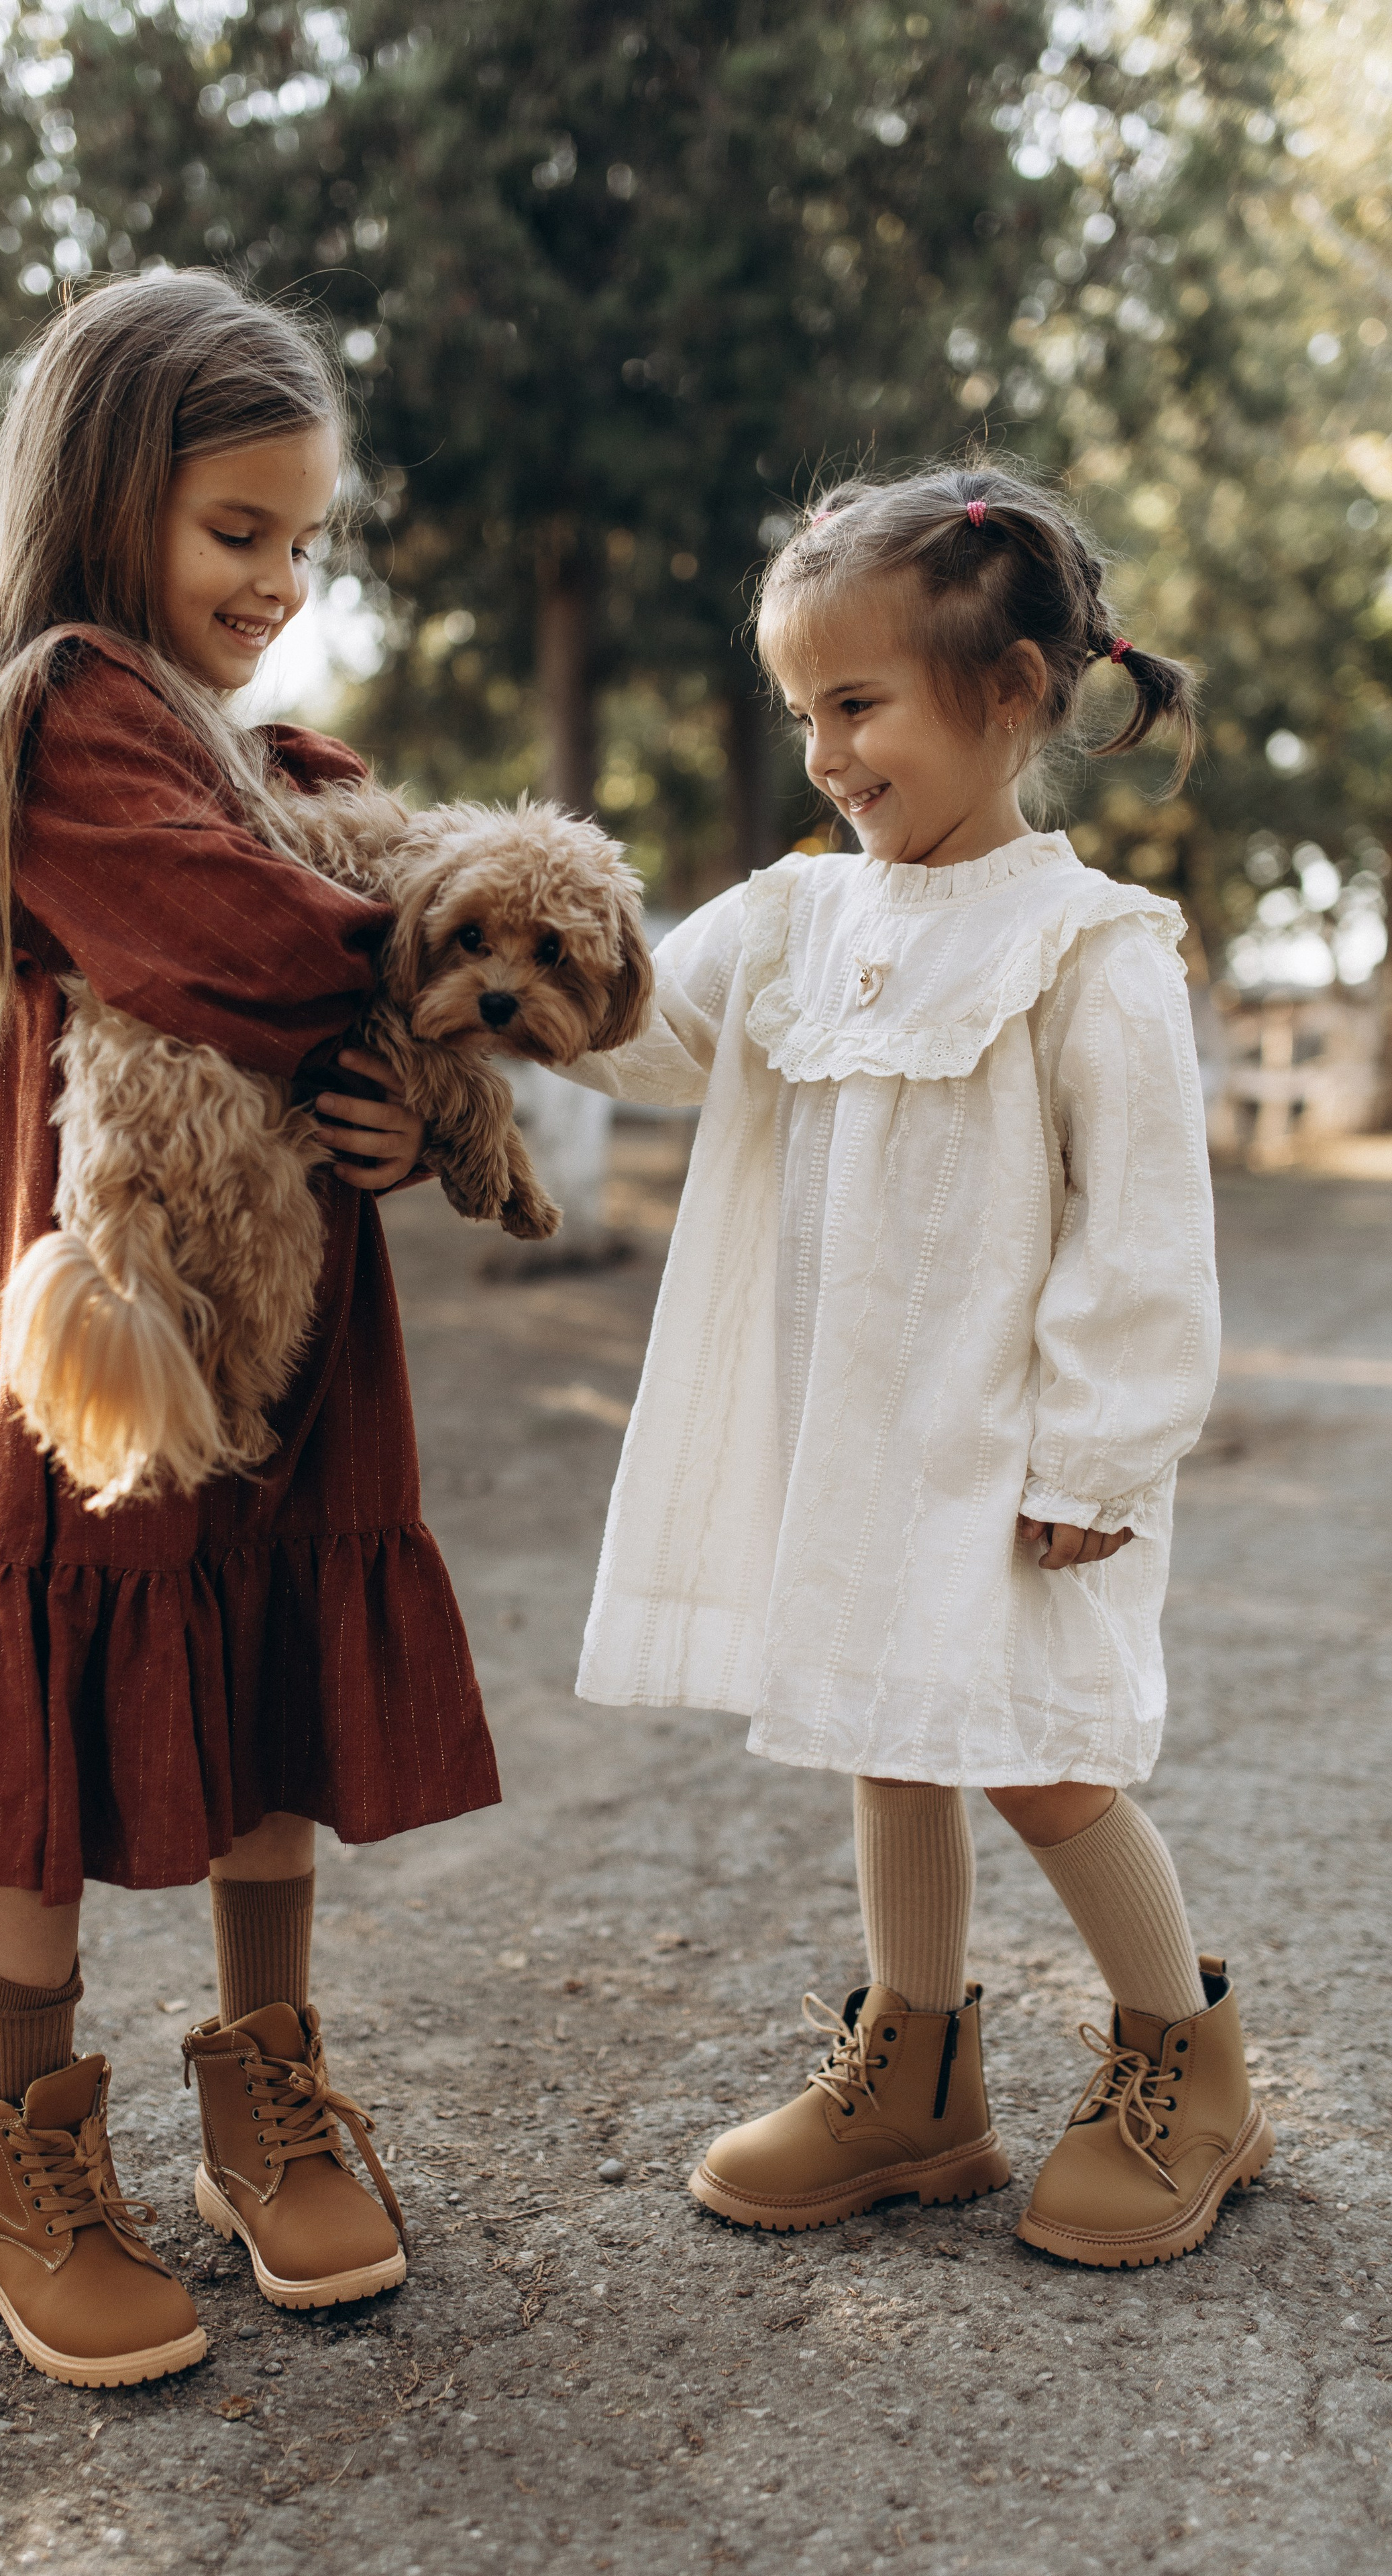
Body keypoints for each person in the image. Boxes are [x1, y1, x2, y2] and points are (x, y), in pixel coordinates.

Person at [0, 270, 500, 2383]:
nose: (283, 581)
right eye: (240, 534)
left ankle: (263, 2086)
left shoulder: (273, 750)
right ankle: (19, 2168)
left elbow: (347, 948)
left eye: (308, 540)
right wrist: (446, 968)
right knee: (60, 1685)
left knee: (270, 1676)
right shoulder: (61, 717)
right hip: (119, 1336)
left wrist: (420, 1102)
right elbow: (240, 941)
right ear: (109, 498)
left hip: (309, 1328)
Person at [561, 462, 1273, 2268]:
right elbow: (644, 1024)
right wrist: (477, 978)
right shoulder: (801, 916)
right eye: (806, 712)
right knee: (890, 1734)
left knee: (1034, 1757)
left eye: (858, 704)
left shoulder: (1088, 948)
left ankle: (1188, 2063)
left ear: (1013, 693)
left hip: (1016, 1449)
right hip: (858, 1434)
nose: (826, 752)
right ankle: (920, 2077)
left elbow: (1142, 1233)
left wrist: (1098, 1462)